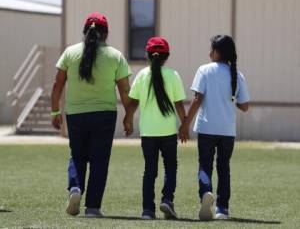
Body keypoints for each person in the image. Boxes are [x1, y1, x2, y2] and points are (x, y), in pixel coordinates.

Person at [51, 12, 132, 217]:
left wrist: (54, 111)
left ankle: (75, 188)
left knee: (77, 155)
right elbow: (125, 92)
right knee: (99, 161)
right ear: (106, 33)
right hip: (105, 115)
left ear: (85, 31)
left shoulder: (70, 53)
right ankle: (93, 208)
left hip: (76, 114)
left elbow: (57, 84)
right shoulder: (116, 56)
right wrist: (128, 116)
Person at [179, 35, 250, 220]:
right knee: (223, 167)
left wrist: (185, 123)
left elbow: (197, 99)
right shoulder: (238, 74)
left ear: (217, 52)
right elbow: (244, 106)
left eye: (211, 49)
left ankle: (205, 194)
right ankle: (222, 209)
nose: (209, 53)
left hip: (206, 127)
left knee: (205, 165)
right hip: (227, 130)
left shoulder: (204, 70)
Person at [124, 37, 186, 220]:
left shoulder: (142, 75)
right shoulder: (173, 75)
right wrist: (185, 125)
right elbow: (179, 105)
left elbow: (133, 103)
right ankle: (167, 199)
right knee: (171, 167)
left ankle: (147, 210)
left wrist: (127, 121)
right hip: (168, 133)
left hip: (148, 133)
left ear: (147, 56)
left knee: (149, 170)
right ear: (166, 56)